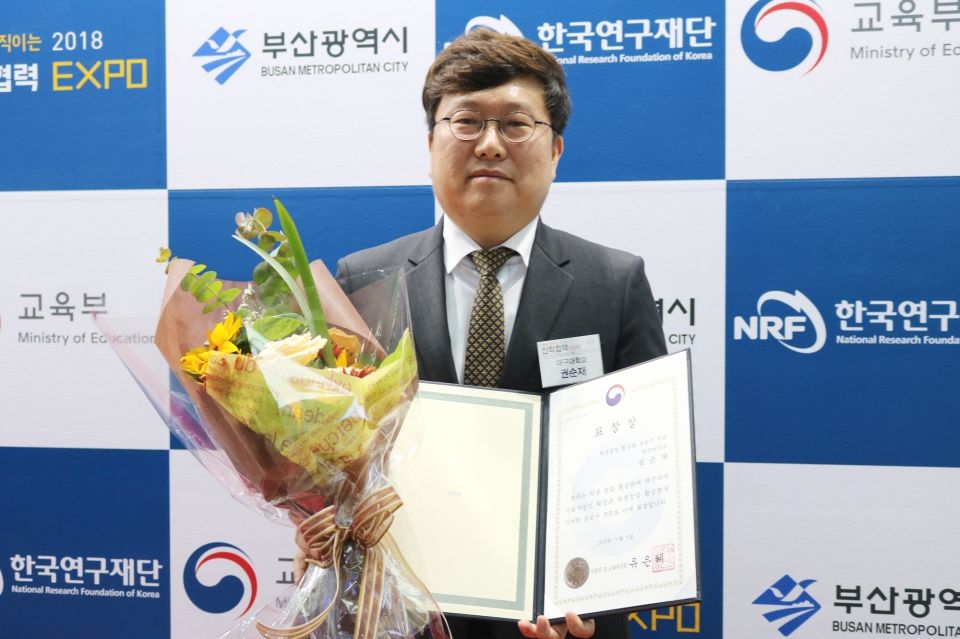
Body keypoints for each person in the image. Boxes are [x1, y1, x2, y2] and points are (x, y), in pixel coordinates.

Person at [298, 28, 667, 639]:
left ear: (555, 150)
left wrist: (601, 598)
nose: (490, 144)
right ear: (431, 143)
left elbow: (643, 472)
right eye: (466, 122)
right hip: (398, 616)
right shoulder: (362, 281)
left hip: (555, 618)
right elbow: (330, 461)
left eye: (516, 125)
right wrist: (319, 526)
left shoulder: (614, 283)